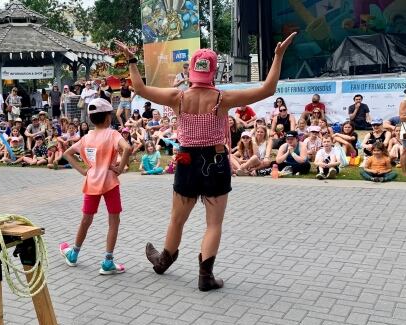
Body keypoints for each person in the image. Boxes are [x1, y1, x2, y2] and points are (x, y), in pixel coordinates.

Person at [119, 32, 296, 290]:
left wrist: (133, 60)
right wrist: (278, 56)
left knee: (177, 219)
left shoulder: (177, 97)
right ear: (213, 73)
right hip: (216, 160)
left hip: (187, 160)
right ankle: (205, 276)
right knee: (213, 223)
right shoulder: (223, 99)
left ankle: (163, 261)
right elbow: (268, 89)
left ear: (191, 71)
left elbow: (140, 89)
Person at [59, 98, 132, 275]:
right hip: (110, 182)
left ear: (91, 119)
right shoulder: (113, 134)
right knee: (114, 221)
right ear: (108, 118)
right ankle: (108, 262)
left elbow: (67, 153)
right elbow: (128, 148)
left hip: (91, 181)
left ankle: (73, 254)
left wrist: (84, 171)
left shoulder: (87, 137)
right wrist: (120, 168)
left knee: (86, 219)